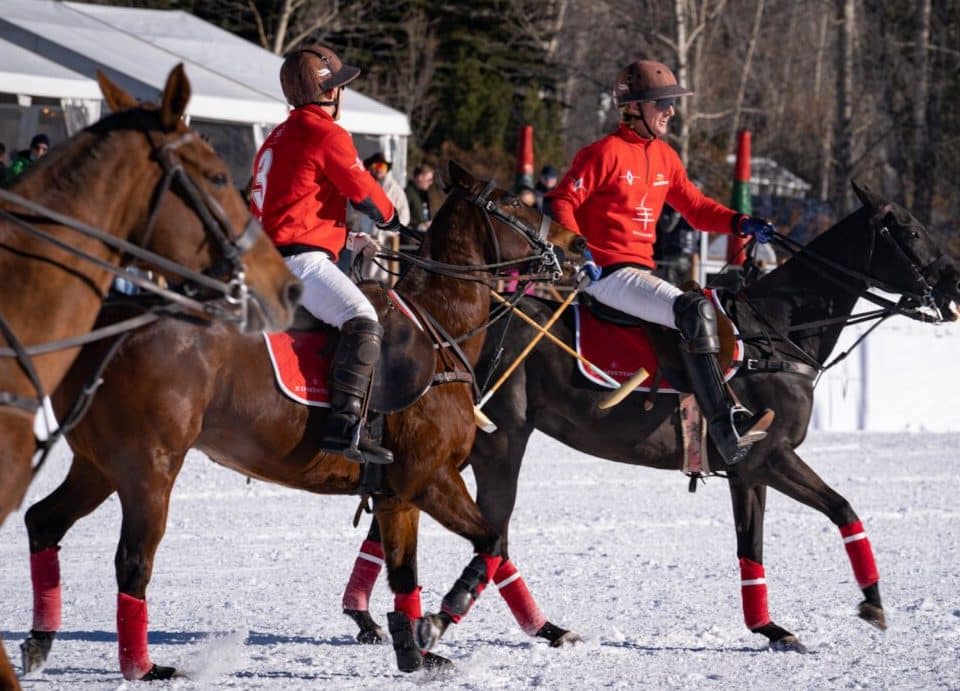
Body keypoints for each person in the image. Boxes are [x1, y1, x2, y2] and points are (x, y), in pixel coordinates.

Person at [549, 60, 776, 465]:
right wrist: (575, 249)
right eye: (663, 103)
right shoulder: (603, 153)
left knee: (710, 309)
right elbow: (561, 201)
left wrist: (741, 222)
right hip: (605, 274)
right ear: (634, 108)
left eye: (672, 102)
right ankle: (725, 427)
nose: (671, 110)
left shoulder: (666, 157)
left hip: (639, 274)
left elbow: (696, 208)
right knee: (694, 309)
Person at [250, 44, 406, 465]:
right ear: (328, 93)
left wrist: (345, 238)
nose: (340, 96)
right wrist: (392, 220)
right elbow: (366, 193)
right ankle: (345, 426)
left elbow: (291, 206)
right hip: (300, 264)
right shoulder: (325, 132)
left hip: (270, 258)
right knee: (364, 318)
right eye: (338, 87)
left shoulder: (277, 136)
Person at [354, 152, 409, 281]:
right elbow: (355, 213)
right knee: (358, 273)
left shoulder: (395, 190)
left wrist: (388, 232)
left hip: (384, 240)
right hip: (364, 237)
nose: (378, 170)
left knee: (381, 275)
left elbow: (404, 216)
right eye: (375, 166)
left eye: (382, 166)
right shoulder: (365, 186)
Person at [405, 164, 435, 231]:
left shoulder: (424, 194)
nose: (431, 183)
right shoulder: (408, 193)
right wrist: (418, 226)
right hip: (410, 237)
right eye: (429, 179)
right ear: (420, 177)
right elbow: (402, 218)